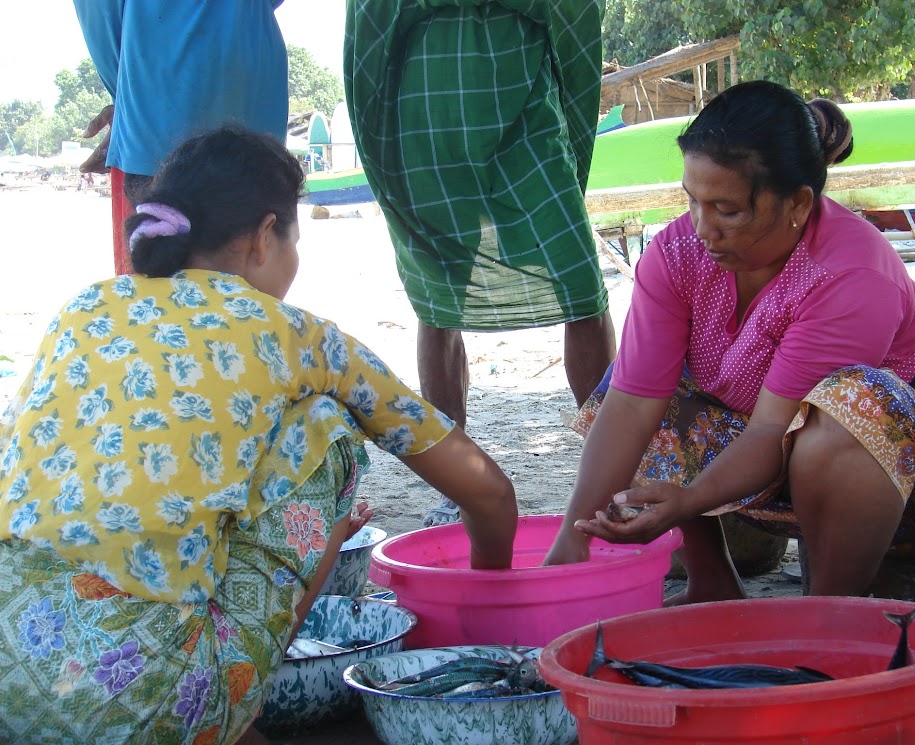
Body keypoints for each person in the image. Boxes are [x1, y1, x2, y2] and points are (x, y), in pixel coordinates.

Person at [0, 127, 517, 744]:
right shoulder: (296, 335)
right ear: (263, 237)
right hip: (138, 706)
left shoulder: (85, 307)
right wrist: (492, 610)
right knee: (325, 426)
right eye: (294, 242)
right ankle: (226, 715)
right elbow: (487, 494)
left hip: (11, 672)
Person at [543, 80, 915, 604]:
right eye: (693, 201)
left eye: (727, 210)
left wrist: (688, 500)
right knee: (625, 389)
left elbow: (770, 434)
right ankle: (712, 585)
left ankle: (824, 614)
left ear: (799, 204)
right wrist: (570, 542)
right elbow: (632, 402)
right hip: (779, 452)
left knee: (852, 403)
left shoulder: (849, 273)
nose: (702, 227)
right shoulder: (676, 255)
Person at [344, 0, 617, 526]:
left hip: (526, 113)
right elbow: (369, 27)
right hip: (421, 117)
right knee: (438, 299)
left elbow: (576, 18)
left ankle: (610, 469)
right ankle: (458, 483)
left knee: (583, 287)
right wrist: (378, 151)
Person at [72, 0, 290, 275]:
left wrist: (122, 94)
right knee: (256, 266)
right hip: (251, 81)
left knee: (155, 279)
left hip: (158, 97)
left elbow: (99, 10)